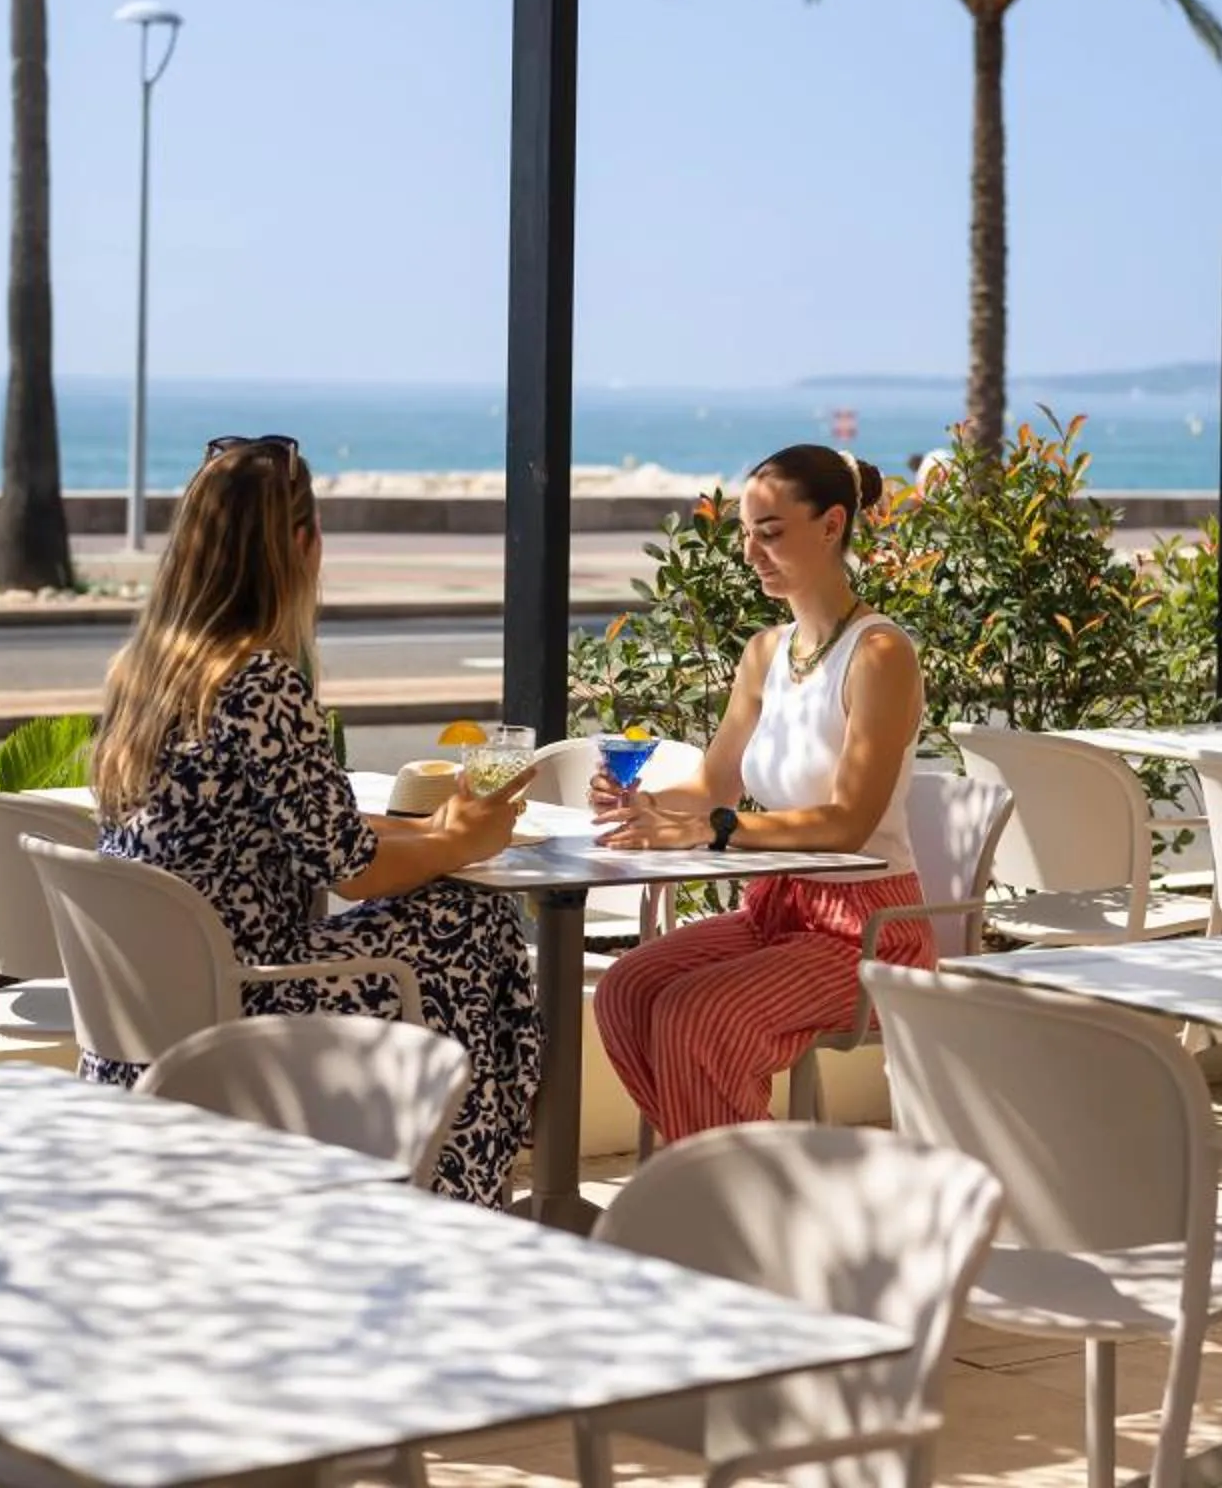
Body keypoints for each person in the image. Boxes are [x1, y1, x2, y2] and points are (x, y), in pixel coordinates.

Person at [81, 435, 542, 1208]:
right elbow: (351, 868)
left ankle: (465, 1168)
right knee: (471, 922)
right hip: (247, 996)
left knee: (452, 910)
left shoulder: (148, 673)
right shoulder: (259, 682)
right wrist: (462, 840)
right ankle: (461, 1184)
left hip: (143, 1007)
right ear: (299, 544)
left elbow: (305, 823)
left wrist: (431, 836)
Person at [591, 445, 929, 1142]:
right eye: (746, 533)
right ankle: (724, 1189)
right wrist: (648, 805)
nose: (751, 552)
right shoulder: (766, 652)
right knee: (628, 992)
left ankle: (746, 1211)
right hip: (778, 910)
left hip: (869, 932)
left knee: (697, 1014)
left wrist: (714, 830)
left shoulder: (879, 654)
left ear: (832, 525)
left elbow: (847, 824)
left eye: (770, 533)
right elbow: (716, 783)